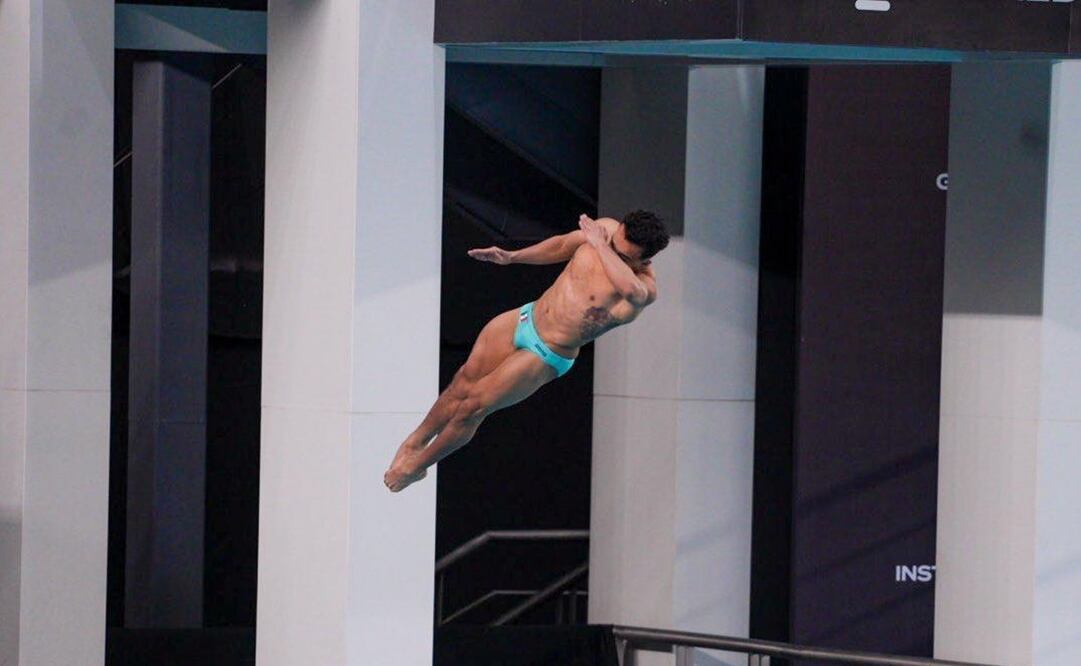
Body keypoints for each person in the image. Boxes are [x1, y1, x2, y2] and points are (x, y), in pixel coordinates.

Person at [383, 210, 670, 492]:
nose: (609, 246)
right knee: (460, 384)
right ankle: (415, 442)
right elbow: (560, 245)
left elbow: (632, 290)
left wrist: (598, 244)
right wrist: (512, 257)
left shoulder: (643, 288)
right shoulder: (606, 230)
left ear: (644, 260)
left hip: (546, 352)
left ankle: (417, 466)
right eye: (611, 242)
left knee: (471, 409)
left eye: (621, 254)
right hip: (526, 317)